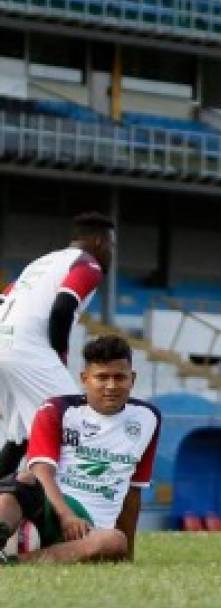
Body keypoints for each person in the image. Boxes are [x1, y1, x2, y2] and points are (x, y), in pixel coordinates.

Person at [0, 334, 159, 564]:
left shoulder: (148, 418)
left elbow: (134, 490)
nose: (111, 386)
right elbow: (41, 471)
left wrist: (127, 555)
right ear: (85, 378)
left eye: (119, 377)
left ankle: (15, 562)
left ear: (132, 378)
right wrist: (66, 516)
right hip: (51, 506)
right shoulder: (57, 409)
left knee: (115, 541)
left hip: (89, 529)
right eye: (102, 378)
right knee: (22, 481)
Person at [0, 212, 115, 478]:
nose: (111, 253)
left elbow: (4, 298)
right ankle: (60, 513)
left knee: (21, 439)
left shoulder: (41, 263)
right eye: (112, 246)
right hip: (27, 350)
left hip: (5, 342)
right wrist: (58, 352)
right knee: (78, 427)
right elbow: (63, 307)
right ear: (99, 242)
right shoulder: (88, 265)